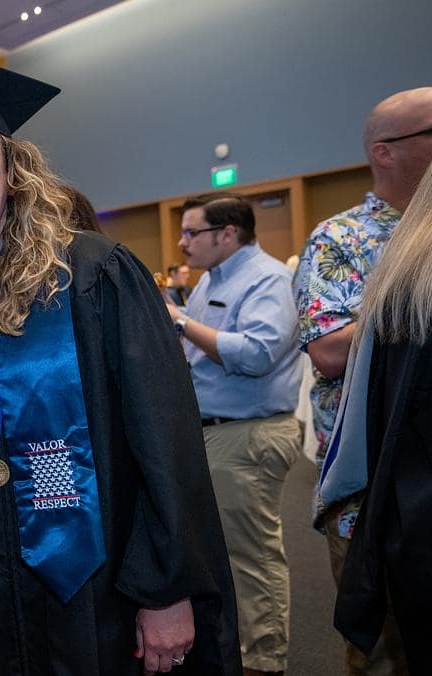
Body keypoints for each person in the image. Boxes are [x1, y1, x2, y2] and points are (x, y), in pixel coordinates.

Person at [0, 48, 240, 675]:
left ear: (13, 169)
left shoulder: (91, 274)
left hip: (98, 590)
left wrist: (165, 589)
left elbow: (165, 440)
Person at [294, 86, 432, 675]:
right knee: (388, 653)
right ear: (385, 152)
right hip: (372, 493)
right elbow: (328, 352)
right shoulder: (343, 239)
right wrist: (418, 299)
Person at [165, 194, 302, 676]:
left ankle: (263, 664)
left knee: (252, 559)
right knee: (228, 556)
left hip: (248, 434)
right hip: (217, 434)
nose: (182, 243)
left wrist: (180, 320)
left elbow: (257, 353)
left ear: (227, 234)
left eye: (191, 232)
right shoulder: (210, 283)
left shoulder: (268, 278)